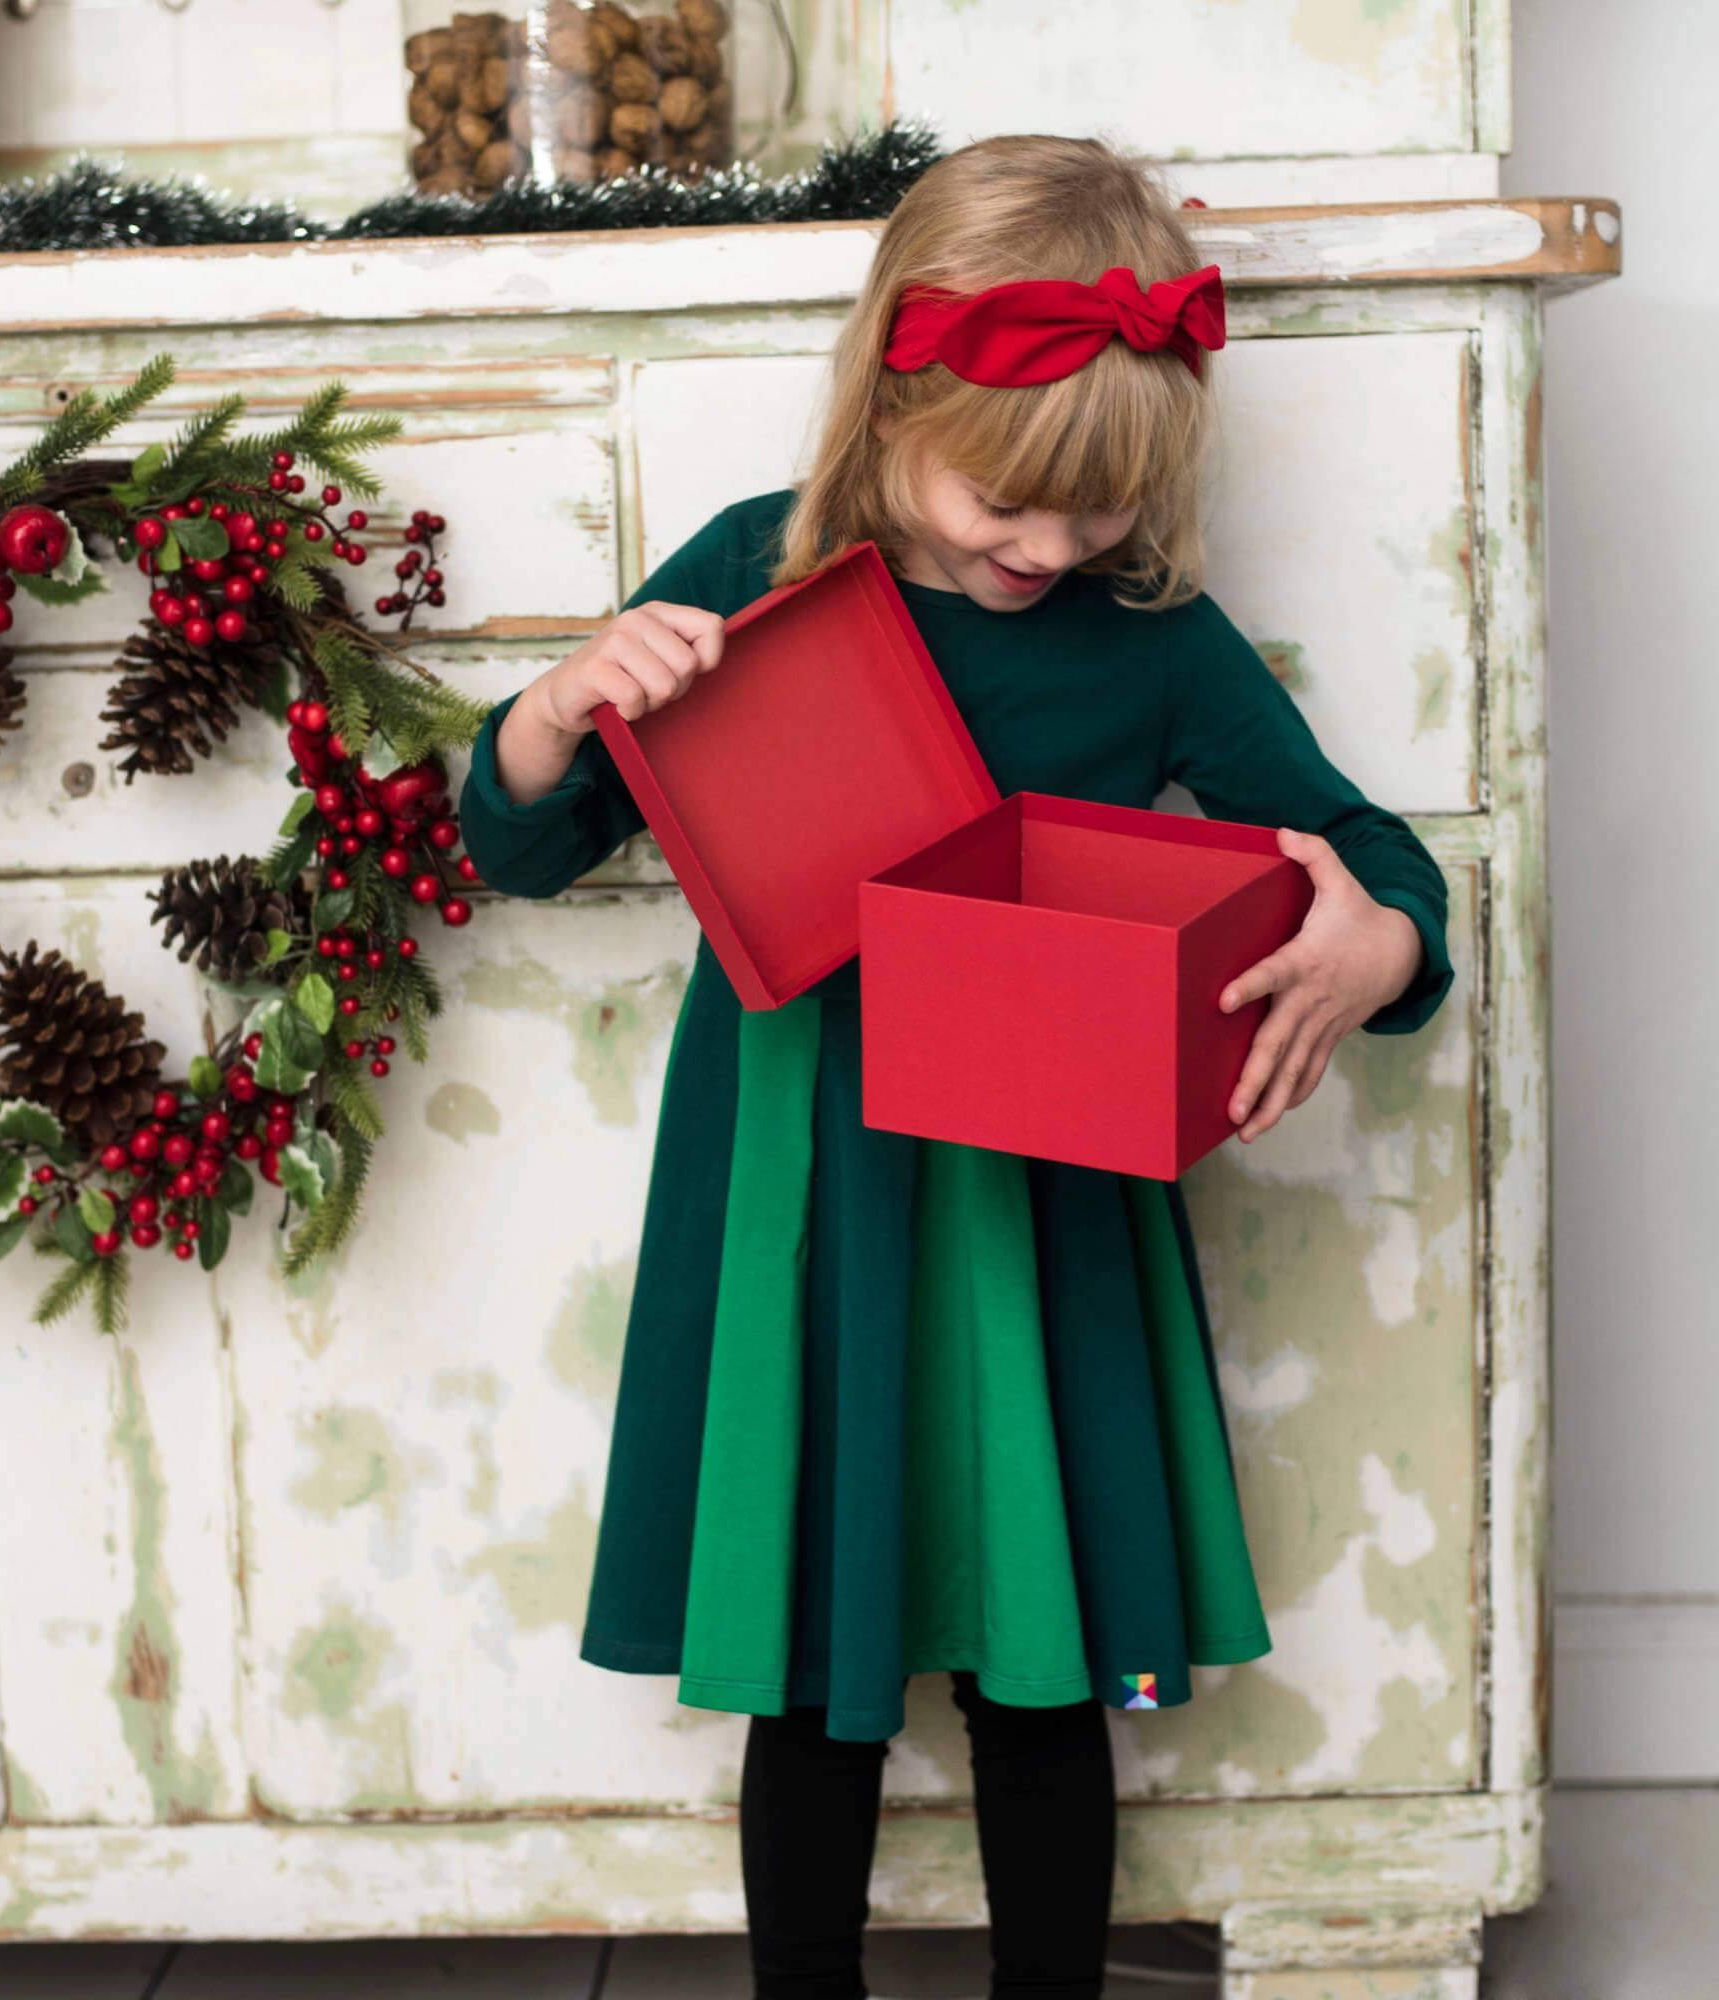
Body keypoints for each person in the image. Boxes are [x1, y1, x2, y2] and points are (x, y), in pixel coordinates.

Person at [457, 134, 1454, 2000]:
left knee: (1045, 1646)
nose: (1052, 549)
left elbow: (1363, 851)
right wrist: (551, 706)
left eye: (1098, 512)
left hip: (1041, 1203)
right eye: (1013, 497)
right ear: (892, 391)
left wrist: (1375, 941)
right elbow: (519, 845)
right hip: (805, 1195)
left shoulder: (1151, 642)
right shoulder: (752, 576)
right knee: (812, 1644)